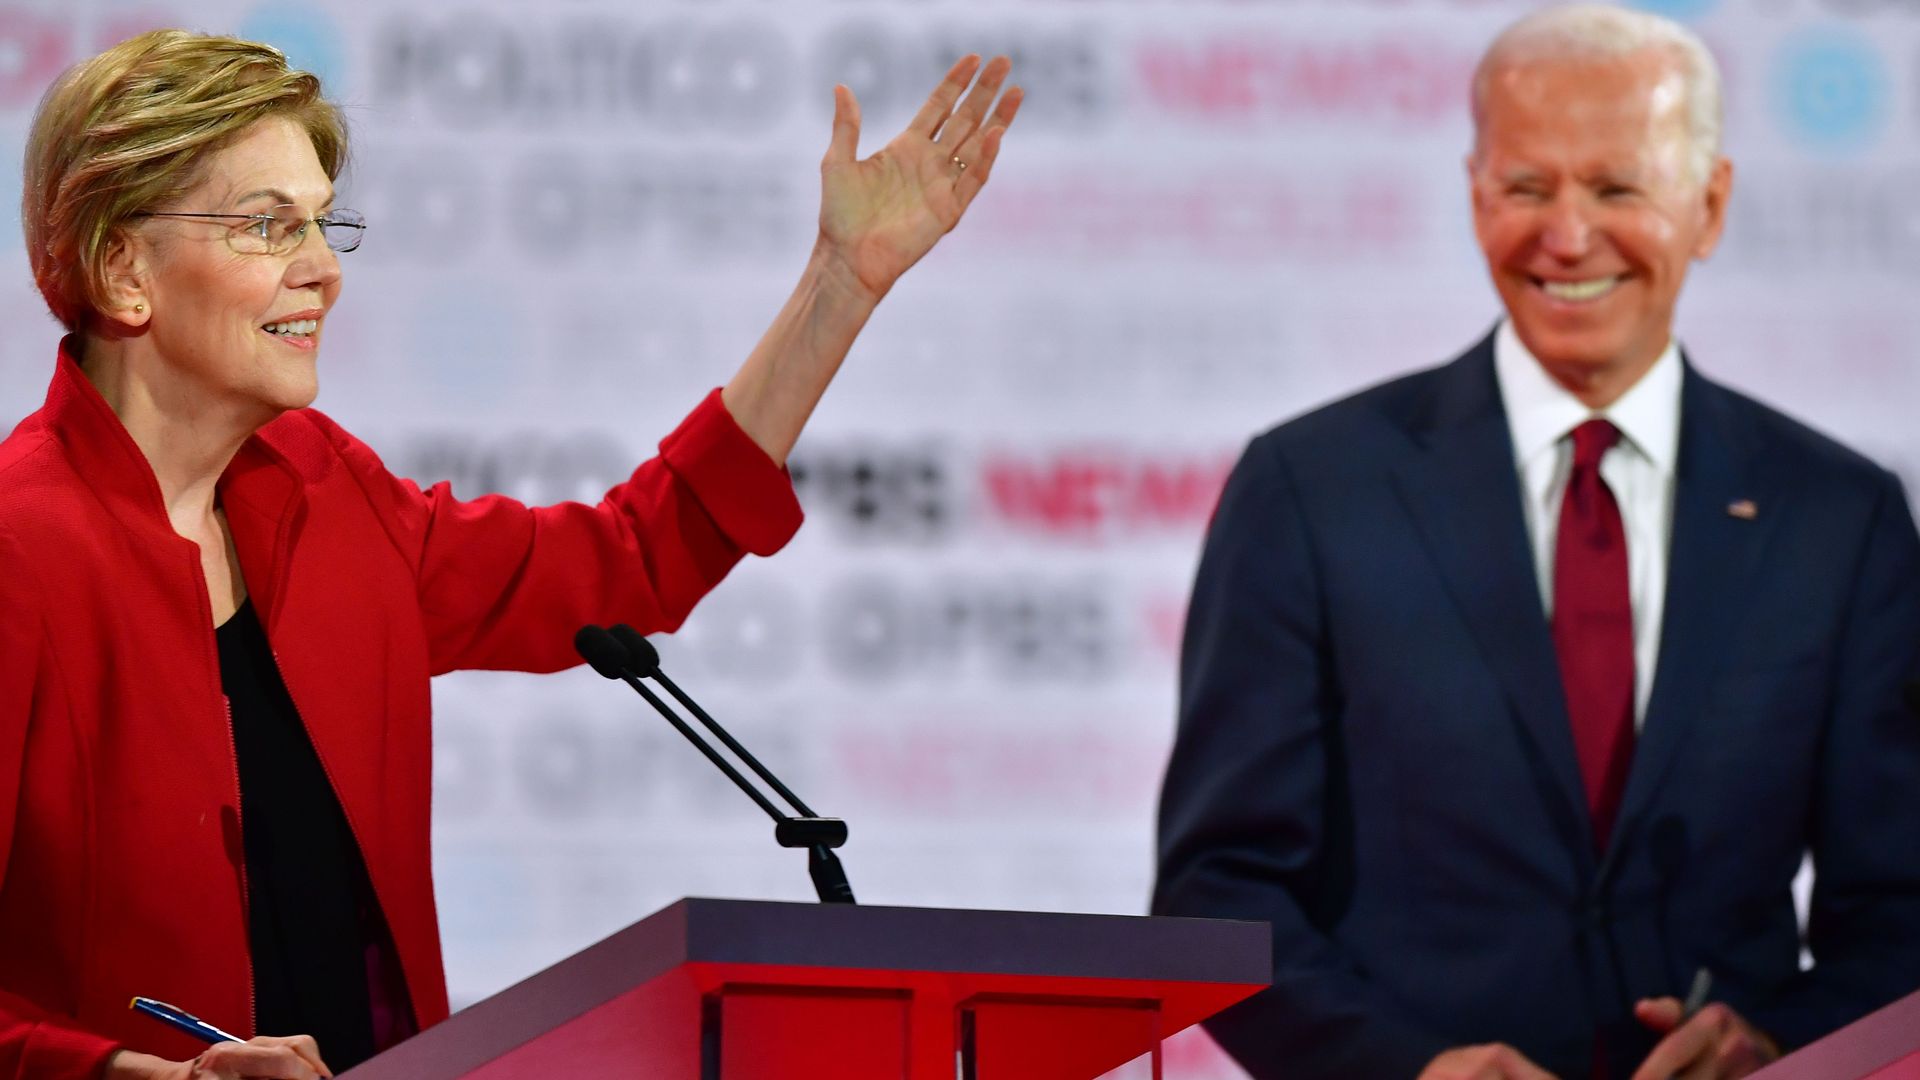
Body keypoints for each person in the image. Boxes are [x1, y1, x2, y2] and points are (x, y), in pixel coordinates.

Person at [0, 28, 1020, 1080]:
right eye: (268, 227)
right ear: (122, 266)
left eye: (321, 223)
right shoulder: (19, 552)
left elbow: (631, 561)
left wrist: (839, 285)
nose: (322, 271)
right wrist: (135, 1077)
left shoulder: (324, 492)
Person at [1152, 6, 1920, 1079]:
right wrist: (1404, 1070)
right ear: (1474, 195)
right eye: (1527, 188)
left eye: (1616, 188)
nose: (1566, 236)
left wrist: (1781, 1040)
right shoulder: (1309, 490)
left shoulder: (1839, 517)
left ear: (1709, 203)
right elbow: (1218, 895)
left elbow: (1900, 909)